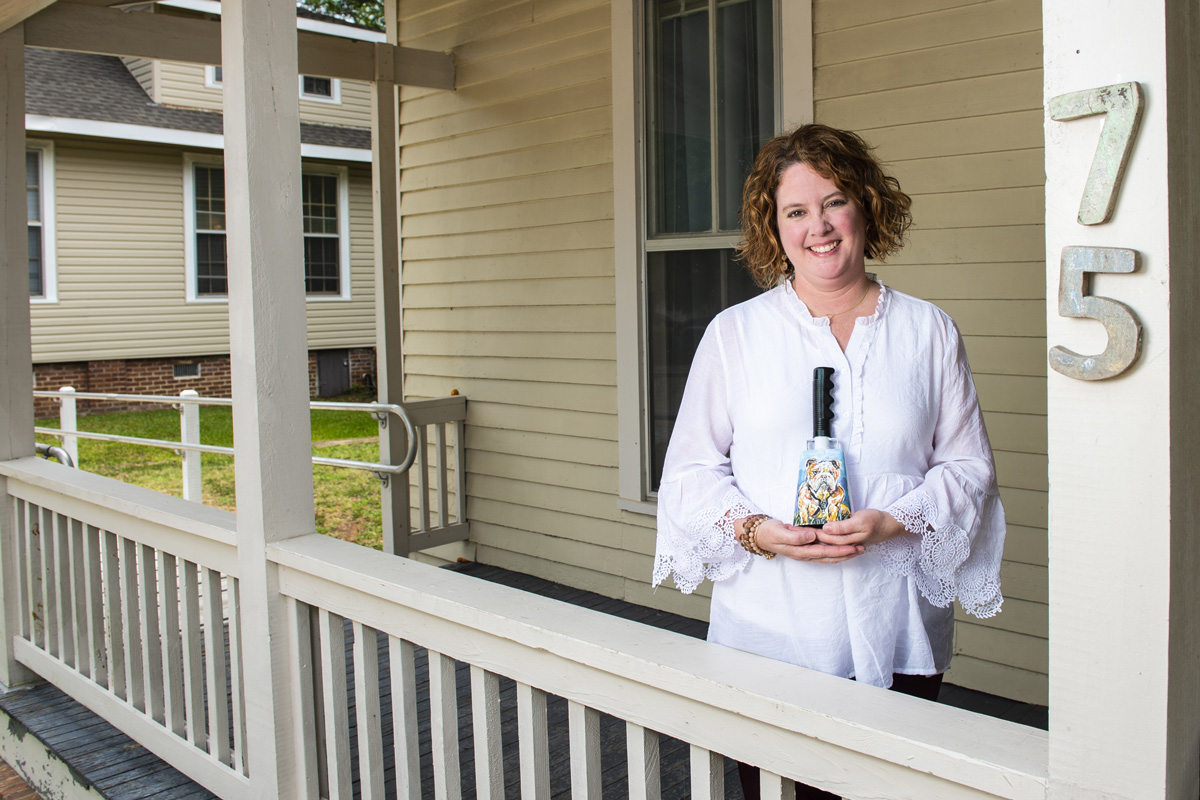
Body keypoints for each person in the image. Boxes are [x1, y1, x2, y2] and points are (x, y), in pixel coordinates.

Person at [651, 124, 1006, 800]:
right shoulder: (737, 335)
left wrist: (895, 520)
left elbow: (969, 467)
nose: (819, 225)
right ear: (773, 226)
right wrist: (754, 529)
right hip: (772, 627)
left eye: (835, 201)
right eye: (796, 210)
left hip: (895, 626)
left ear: (867, 207)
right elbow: (691, 472)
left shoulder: (927, 330)